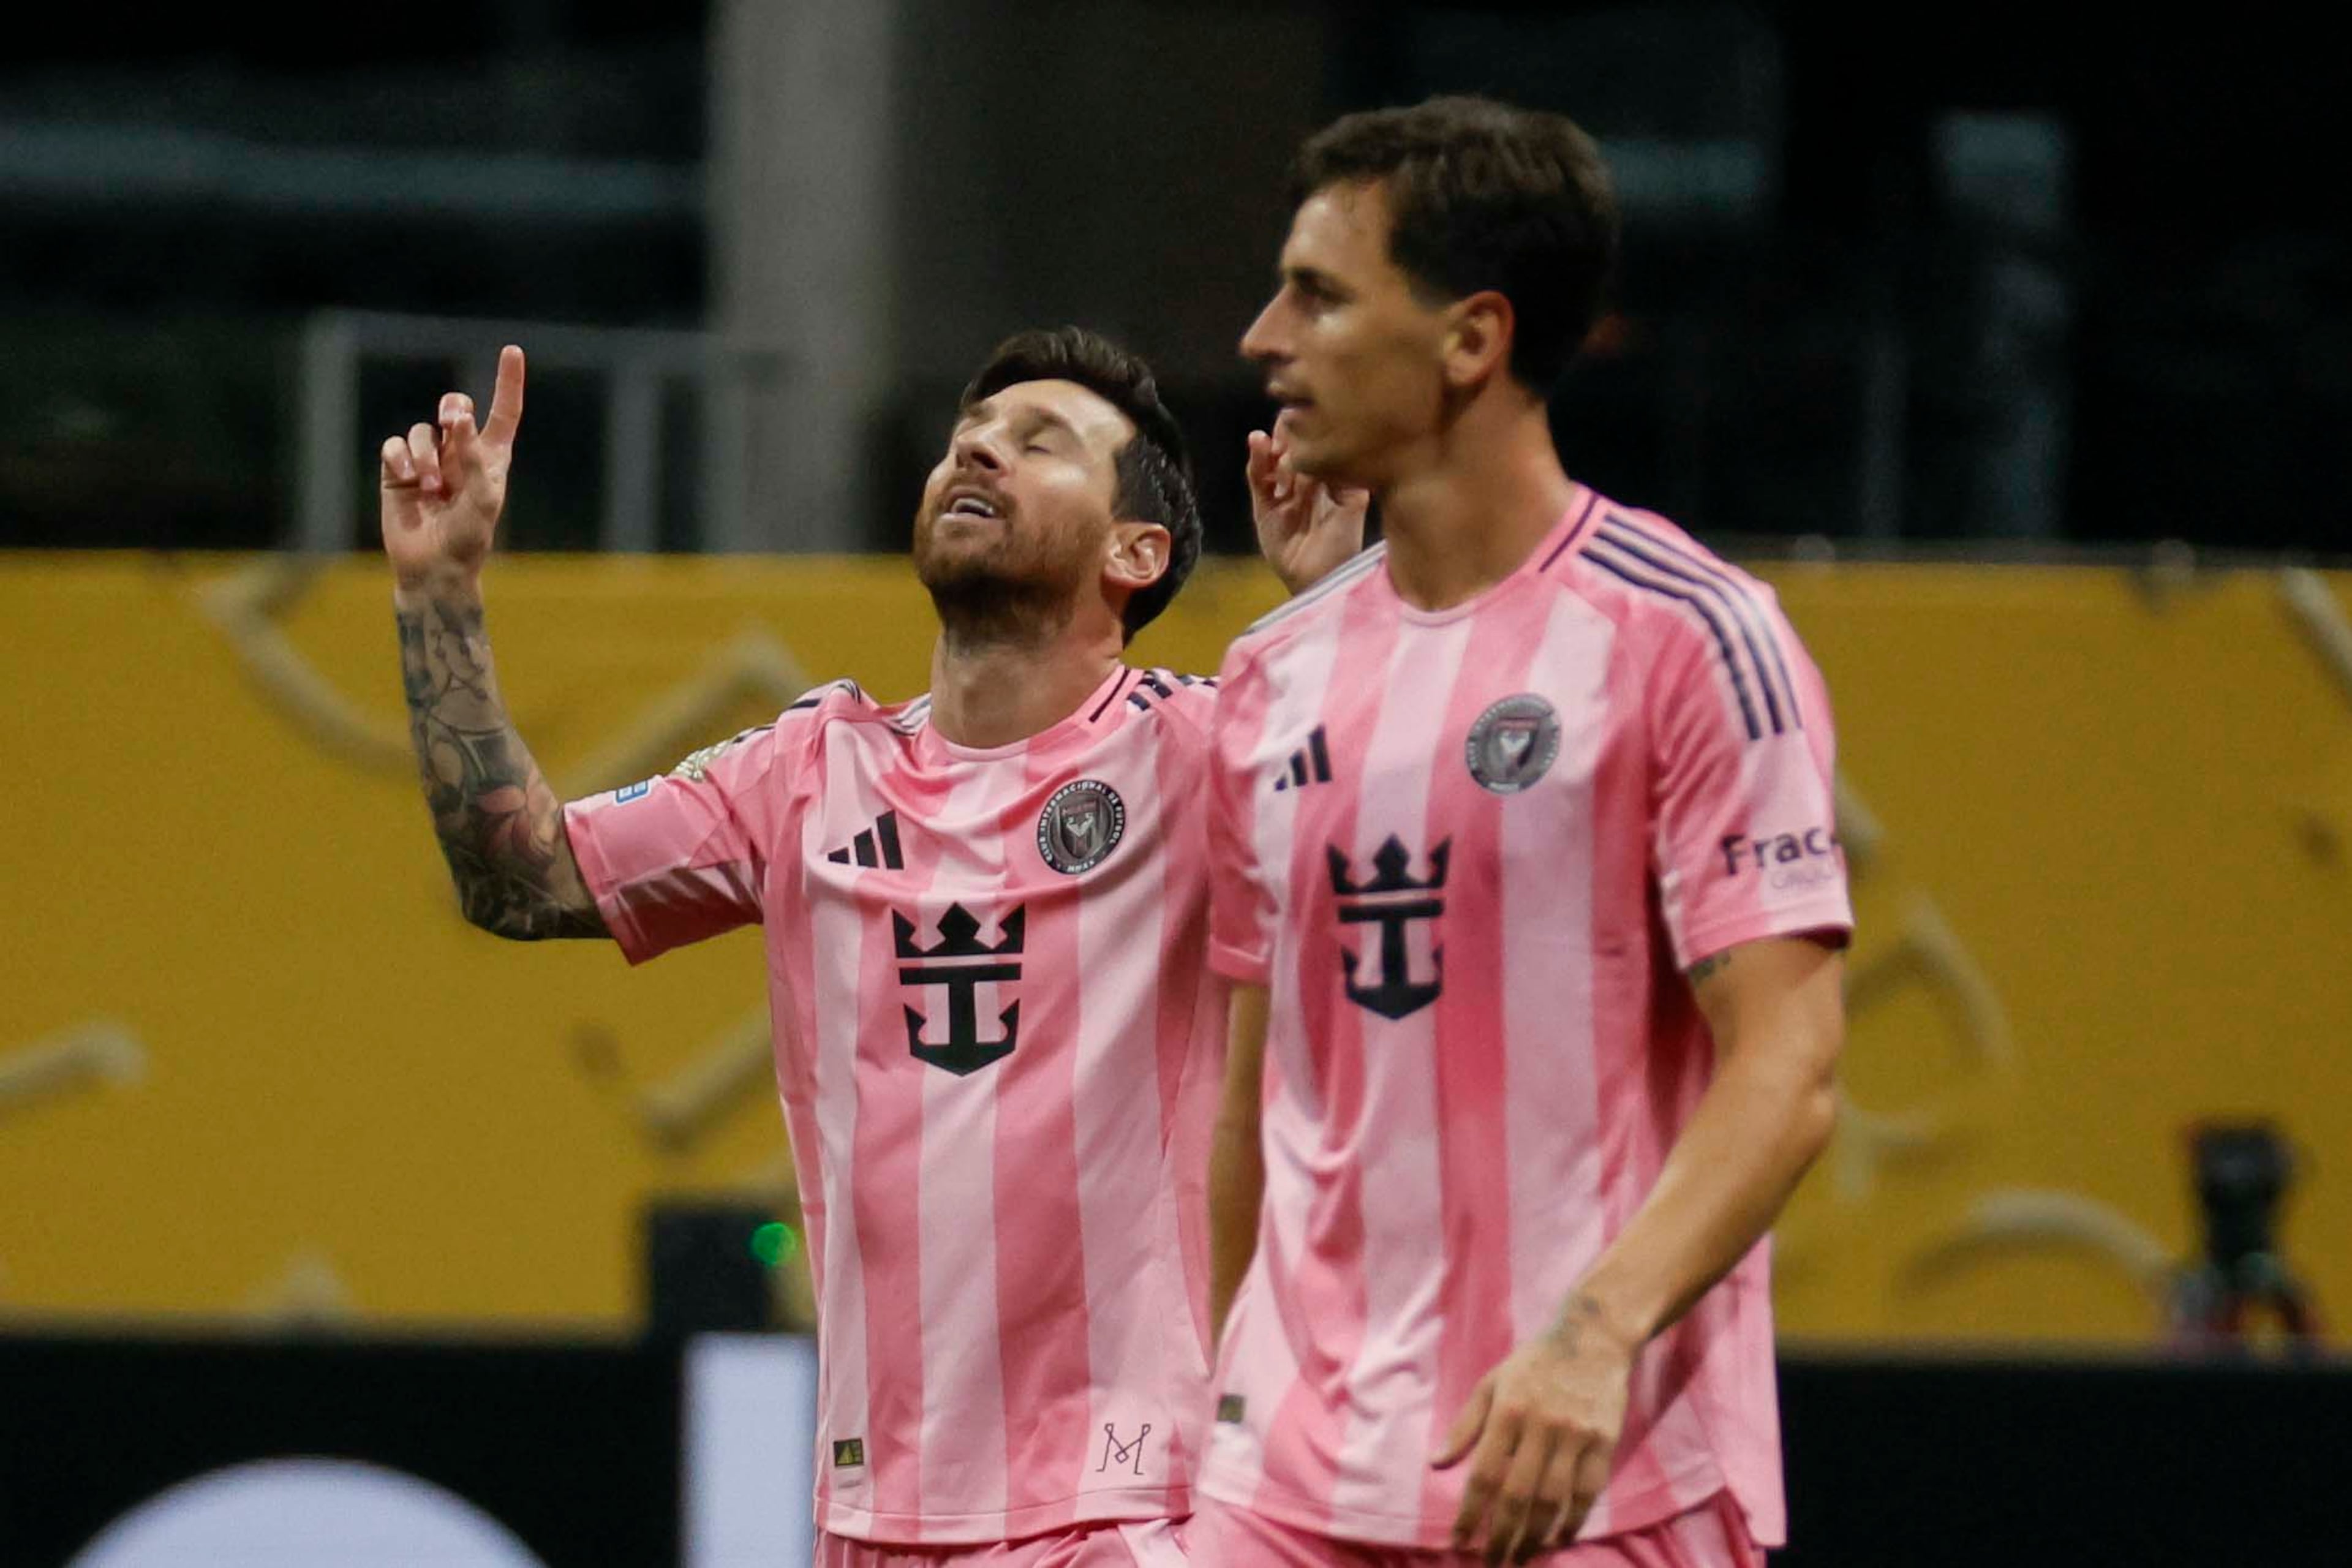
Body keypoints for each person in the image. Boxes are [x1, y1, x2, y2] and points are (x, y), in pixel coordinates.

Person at [379, 327, 1362, 1565]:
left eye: (1039, 441)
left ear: (1137, 550)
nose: (981, 446)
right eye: (970, 434)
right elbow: (517, 878)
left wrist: (1333, 607)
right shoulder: (808, 770)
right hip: (876, 1518)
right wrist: (438, 592)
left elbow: (1399, 844)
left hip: (1136, 1508)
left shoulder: (1202, 749)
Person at [1193, 97, 1853, 1566]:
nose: (1262, 335)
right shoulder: (1270, 678)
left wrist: (1590, 1338)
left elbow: (1792, 1064)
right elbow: (1254, 1099)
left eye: (1318, 293)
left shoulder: (1691, 637)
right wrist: (1205, 1407)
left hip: (1581, 1481)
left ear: (1472, 339)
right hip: (1280, 1493)